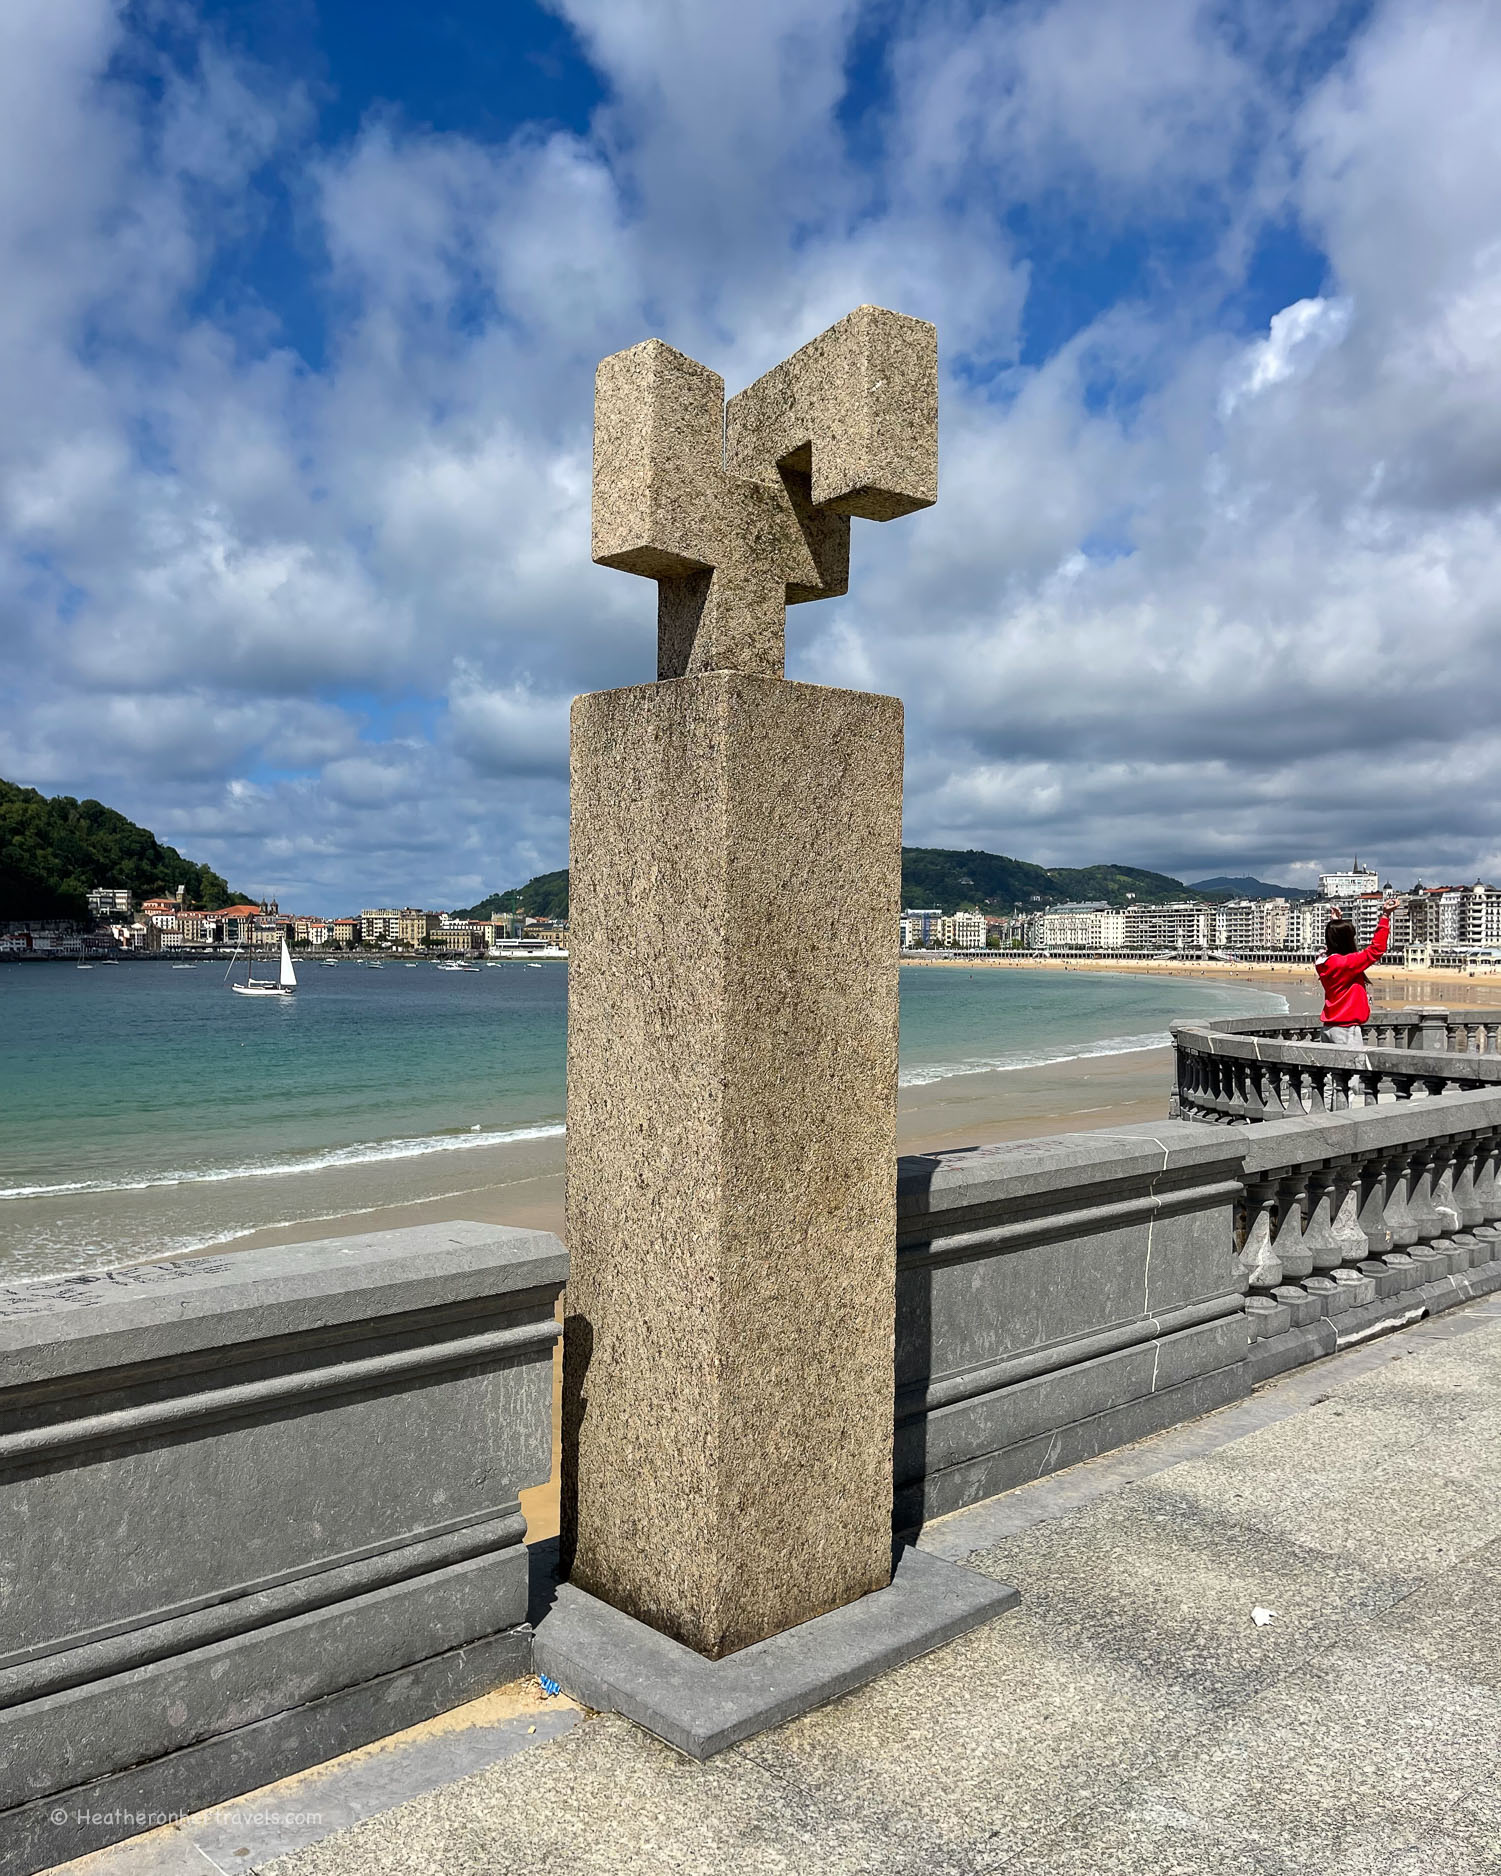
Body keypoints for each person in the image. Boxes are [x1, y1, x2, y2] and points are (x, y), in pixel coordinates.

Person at [1316, 896, 1399, 1046]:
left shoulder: (1322, 962)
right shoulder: (1346, 964)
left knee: (1331, 1069)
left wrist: (1336, 923)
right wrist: (1385, 916)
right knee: (1353, 1068)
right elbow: (1376, 949)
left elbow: (1333, 947)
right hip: (1346, 1028)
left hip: (1328, 1027)